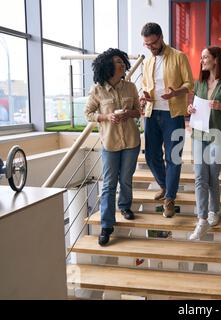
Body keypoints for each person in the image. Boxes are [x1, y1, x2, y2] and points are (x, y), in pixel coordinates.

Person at [85, 48, 142, 246]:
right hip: (109, 143)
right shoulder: (97, 90)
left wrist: (130, 113)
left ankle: (125, 206)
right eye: (117, 61)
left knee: (125, 179)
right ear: (108, 66)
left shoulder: (131, 87)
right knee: (109, 184)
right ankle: (107, 225)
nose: (122, 64)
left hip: (131, 142)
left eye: (122, 61)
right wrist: (106, 117)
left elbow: (139, 111)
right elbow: (89, 113)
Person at [140, 22, 194, 218]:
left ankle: (170, 198)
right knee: (151, 156)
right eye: (147, 45)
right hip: (152, 113)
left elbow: (189, 84)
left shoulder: (178, 56)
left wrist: (176, 92)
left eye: (153, 44)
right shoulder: (147, 61)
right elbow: (146, 85)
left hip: (173, 114)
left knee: (173, 157)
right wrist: (144, 96)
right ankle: (165, 185)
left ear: (161, 38)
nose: (150, 48)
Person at [186, 46, 221, 240]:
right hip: (199, 134)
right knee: (200, 176)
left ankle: (214, 210)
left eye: (205, 57)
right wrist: (190, 109)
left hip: (220, 136)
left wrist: (220, 106)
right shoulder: (199, 83)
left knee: (211, 175)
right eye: (201, 57)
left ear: (216, 60)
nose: (202, 60)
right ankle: (202, 220)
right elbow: (195, 107)